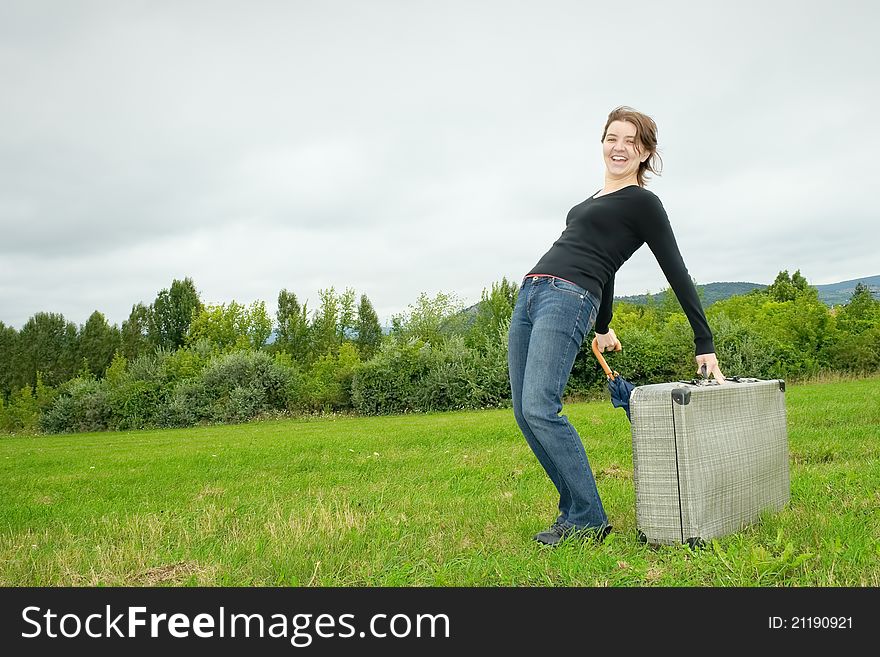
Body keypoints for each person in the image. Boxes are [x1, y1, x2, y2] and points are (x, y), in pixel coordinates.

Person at [507, 106, 725, 546]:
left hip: (566, 296)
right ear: (602, 143)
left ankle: (587, 518)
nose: (619, 147)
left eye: (631, 141)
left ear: (645, 152)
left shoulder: (644, 203)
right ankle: (575, 511)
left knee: (540, 408)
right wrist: (603, 325)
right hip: (531, 293)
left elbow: (675, 269)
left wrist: (704, 340)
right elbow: (608, 269)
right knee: (524, 412)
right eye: (612, 137)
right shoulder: (590, 202)